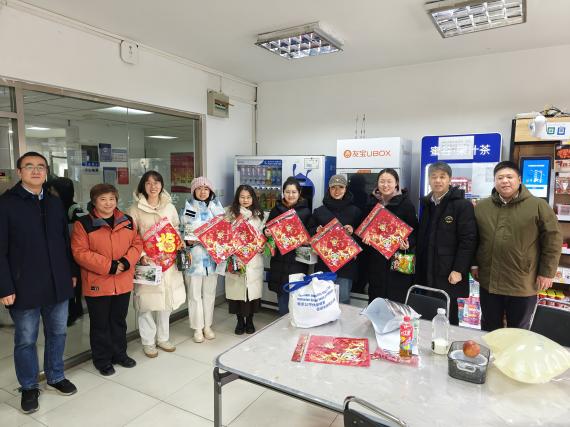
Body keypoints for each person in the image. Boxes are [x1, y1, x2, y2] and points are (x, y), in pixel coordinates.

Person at [0, 152, 77, 414]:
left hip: (58, 281)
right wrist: (5, 286)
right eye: (29, 166)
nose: (35, 171)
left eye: (40, 167)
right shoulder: (6, 204)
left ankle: (55, 376)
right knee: (25, 339)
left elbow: (65, 242)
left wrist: (71, 272)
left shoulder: (54, 203)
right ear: (19, 172)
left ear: (46, 172)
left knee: (58, 333)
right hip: (24, 285)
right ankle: (29, 386)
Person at [472, 161, 562, 331]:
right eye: (500, 178)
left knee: (518, 330)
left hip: (523, 281)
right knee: (490, 327)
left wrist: (547, 272)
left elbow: (553, 240)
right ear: (494, 181)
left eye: (509, 177)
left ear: (519, 180)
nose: (505, 181)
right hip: (489, 280)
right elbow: (473, 239)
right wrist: (474, 264)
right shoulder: (482, 207)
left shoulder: (538, 205)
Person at [71, 184, 143, 376]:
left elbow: (137, 243)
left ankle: (120, 354)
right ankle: (102, 360)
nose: (108, 203)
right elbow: (80, 252)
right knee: (100, 324)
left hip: (122, 281)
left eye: (111, 199)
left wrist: (125, 262)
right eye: (103, 199)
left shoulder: (127, 221)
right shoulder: (84, 224)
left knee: (118, 321)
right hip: (98, 282)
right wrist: (110, 266)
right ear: (94, 202)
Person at [129, 171, 186, 357]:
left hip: (168, 262)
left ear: (162, 185)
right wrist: (142, 255)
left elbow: (176, 228)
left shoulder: (169, 206)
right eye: (148, 183)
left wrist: (179, 242)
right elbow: (132, 236)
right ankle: (148, 341)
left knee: (165, 301)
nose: (153, 186)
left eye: (156, 182)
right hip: (147, 262)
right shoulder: (135, 209)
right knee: (146, 303)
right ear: (143, 186)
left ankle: (163, 338)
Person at [415, 161, 477, 325]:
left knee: (448, 313)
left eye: (442, 177)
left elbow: (468, 240)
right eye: (434, 177)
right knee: (427, 313)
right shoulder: (427, 204)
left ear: (450, 179)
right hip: (427, 269)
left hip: (449, 272)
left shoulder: (462, 205)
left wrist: (459, 269)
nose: (438, 180)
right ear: (429, 180)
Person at [363, 169, 418, 304]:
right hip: (376, 260)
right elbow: (363, 227)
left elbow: (415, 231)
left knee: (396, 300)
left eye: (389, 181)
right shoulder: (371, 204)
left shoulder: (406, 204)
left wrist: (408, 243)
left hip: (398, 260)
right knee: (376, 299)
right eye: (382, 181)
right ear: (377, 184)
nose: (385, 185)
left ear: (396, 183)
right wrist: (365, 236)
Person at [180, 176, 225, 343]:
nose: (203, 191)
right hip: (194, 259)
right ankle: (197, 328)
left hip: (212, 259)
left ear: (210, 191)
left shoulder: (217, 208)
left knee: (209, 294)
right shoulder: (188, 208)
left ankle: (207, 326)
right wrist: (188, 240)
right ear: (194, 191)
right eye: (199, 188)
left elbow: (224, 231)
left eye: (206, 188)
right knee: (194, 295)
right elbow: (183, 231)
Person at [309, 174, 362, 304]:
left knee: (343, 300)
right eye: (333, 187)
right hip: (324, 264)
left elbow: (364, 236)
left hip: (346, 265)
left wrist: (353, 231)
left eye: (341, 187)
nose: (337, 191)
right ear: (329, 189)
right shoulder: (319, 211)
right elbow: (308, 232)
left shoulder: (355, 211)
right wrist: (316, 230)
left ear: (346, 189)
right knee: (323, 300)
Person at [265, 177, 312, 315]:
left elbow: (311, 233)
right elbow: (267, 228)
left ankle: (296, 322)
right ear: (283, 193)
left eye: (294, 192)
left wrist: (307, 239)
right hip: (279, 259)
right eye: (287, 192)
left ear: (299, 193)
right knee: (282, 295)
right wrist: (266, 232)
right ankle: (282, 322)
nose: (290, 195)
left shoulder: (306, 211)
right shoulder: (276, 210)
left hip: (297, 260)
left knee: (297, 294)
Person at [225, 185, 265, 334]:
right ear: (237, 198)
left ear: (253, 198)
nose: (245, 200)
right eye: (242, 197)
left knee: (251, 293)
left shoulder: (259, 215)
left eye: (248, 197)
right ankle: (239, 321)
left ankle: (250, 320)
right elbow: (224, 234)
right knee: (237, 293)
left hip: (254, 259)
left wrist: (263, 246)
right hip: (236, 258)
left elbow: (264, 236)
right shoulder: (230, 214)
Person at [46, 177, 87, 326]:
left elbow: (79, 231)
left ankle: (74, 311)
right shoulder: (53, 206)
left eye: (53, 190)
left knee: (74, 283)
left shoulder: (74, 208)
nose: (51, 193)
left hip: (73, 250)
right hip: (62, 250)